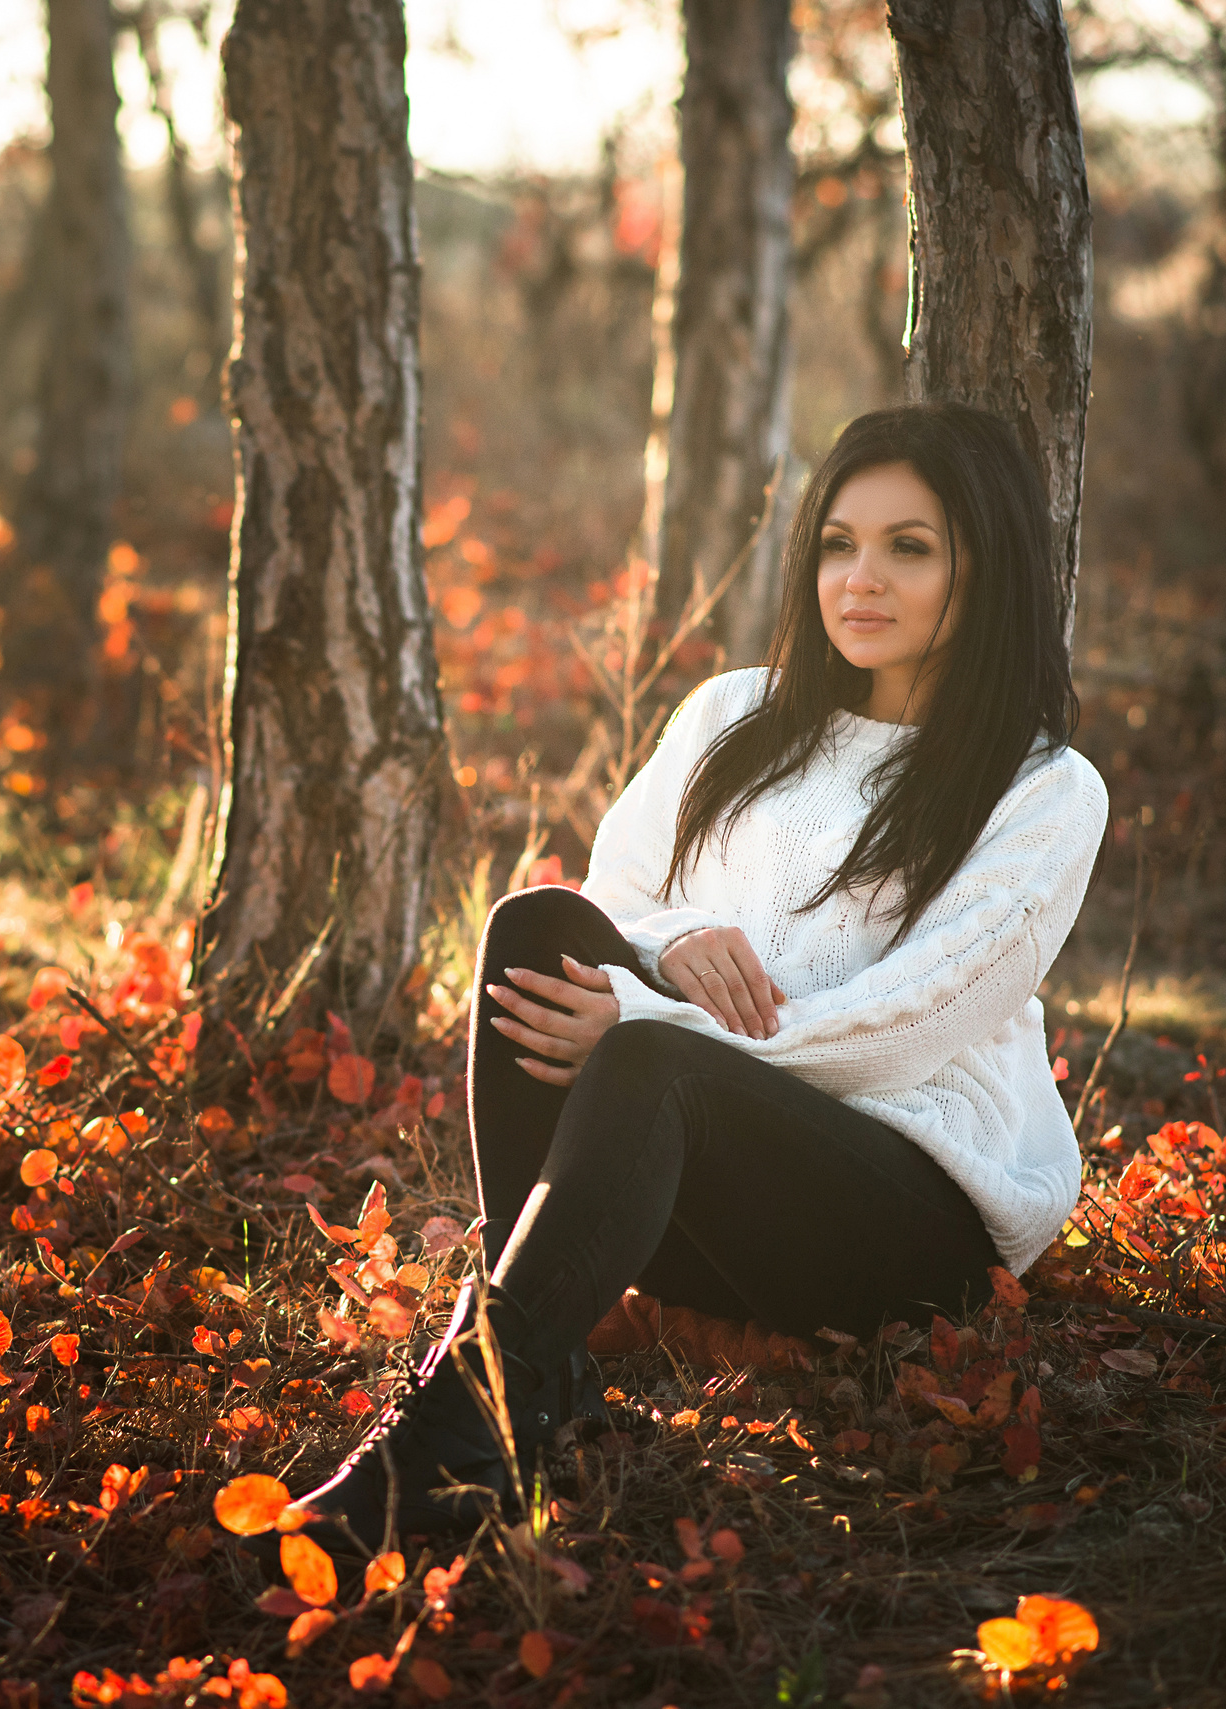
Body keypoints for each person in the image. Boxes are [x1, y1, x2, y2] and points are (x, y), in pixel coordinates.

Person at [290, 402, 1110, 1553]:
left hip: (907, 1220)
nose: (858, 578)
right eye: (837, 542)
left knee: (651, 1054)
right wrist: (665, 944)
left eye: (907, 546)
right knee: (536, 927)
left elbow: (914, 1019)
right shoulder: (734, 712)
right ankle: (542, 1371)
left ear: (986, 568)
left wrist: (653, 1011)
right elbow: (614, 894)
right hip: (707, 1188)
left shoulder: (1043, 788)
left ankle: (459, 1430)